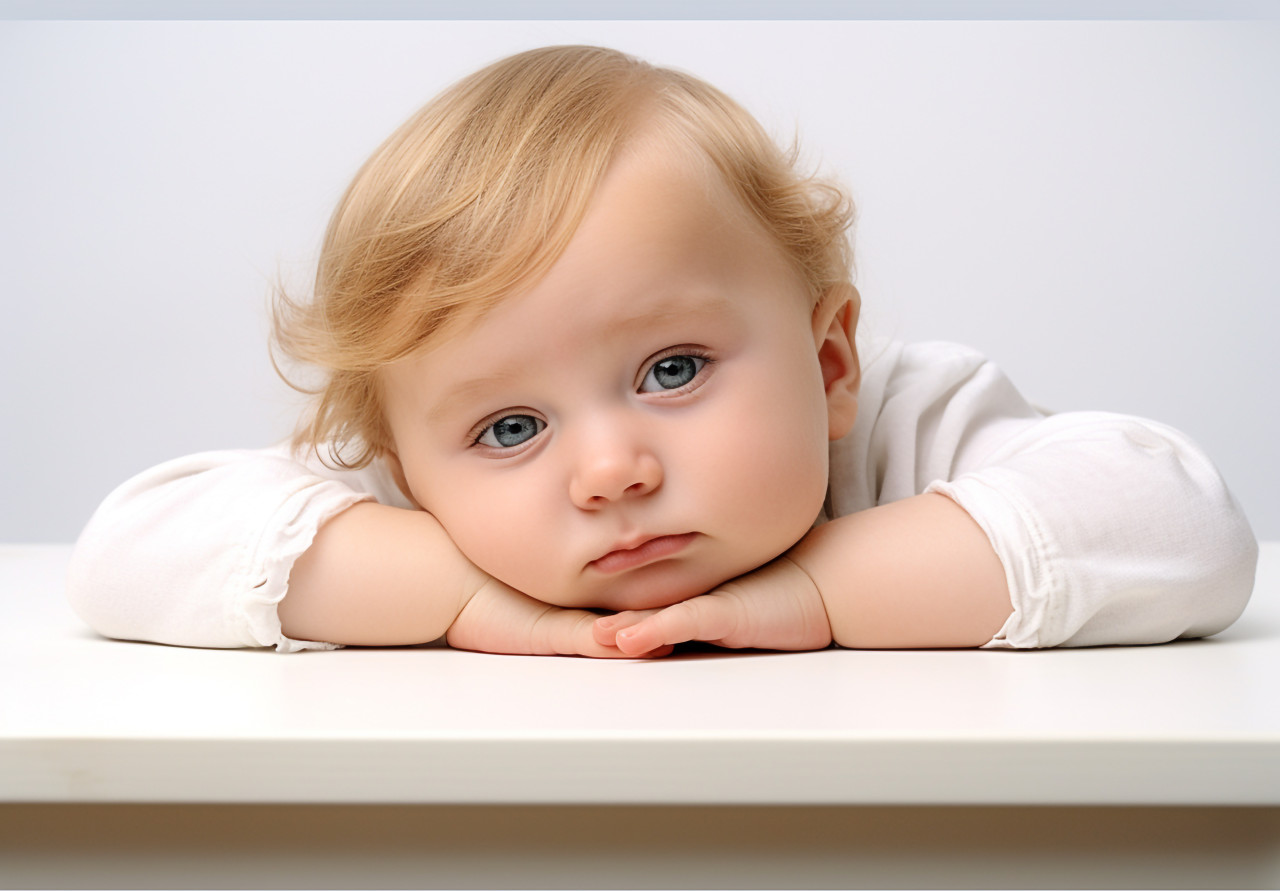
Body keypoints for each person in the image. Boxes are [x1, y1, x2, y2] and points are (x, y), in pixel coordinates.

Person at [67, 45, 1258, 658]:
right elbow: (127, 552)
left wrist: (822, 591)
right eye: (510, 429)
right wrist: (463, 594)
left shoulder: (911, 419)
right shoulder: (410, 496)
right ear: (407, 463)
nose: (609, 471)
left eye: (672, 369)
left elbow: (1184, 528)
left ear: (828, 365)